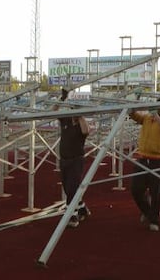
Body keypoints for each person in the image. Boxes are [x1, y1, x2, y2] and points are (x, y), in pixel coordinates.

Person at [129, 98, 160, 232]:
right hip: (142, 158)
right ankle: (148, 212)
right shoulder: (147, 118)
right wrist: (135, 100)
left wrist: (155, 115)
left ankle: (154, 220)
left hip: (157, 160)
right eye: (158, 106)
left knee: (155, 192)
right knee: (135, 189)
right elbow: (133, 114)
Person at [53, 88, 91, 228]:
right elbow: (53, 111)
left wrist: (80, 115)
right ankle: (82, 208)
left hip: (76, 160)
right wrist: (61, 99)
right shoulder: (65, 121)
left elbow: (87, 130)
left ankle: (72, 216)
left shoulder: (81, 125)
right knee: (68, 188)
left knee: (72, 188)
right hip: (64, 159)